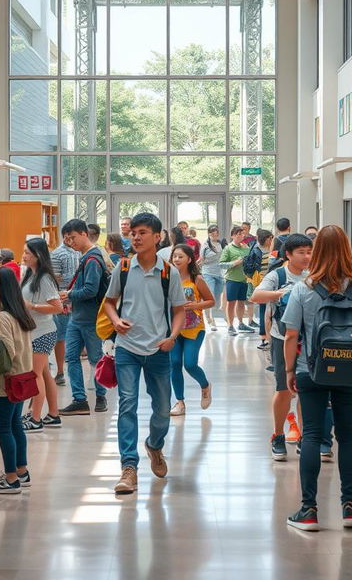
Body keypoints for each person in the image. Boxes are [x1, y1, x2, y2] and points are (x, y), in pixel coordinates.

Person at [282, 225, 352, 531]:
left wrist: (288, 371)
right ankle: (349, 507)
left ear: (317, 250)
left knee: (311, 434)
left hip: (312, 370)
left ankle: (308, 510)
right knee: (347, 435)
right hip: (350, 372)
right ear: (347, 250)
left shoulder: (303, 288)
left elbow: (291, 334)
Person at [102, 212, 186, 495]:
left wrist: (173, 337)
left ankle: (154, 445)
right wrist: (115, 320)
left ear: (157, 236)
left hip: (158, 349)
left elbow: (178, 311)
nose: (136, 237)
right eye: (133, 233)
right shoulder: (123, 268)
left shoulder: (168, 272)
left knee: (162, 409)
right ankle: (129, 467)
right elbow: (109, 302)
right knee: (127, 404)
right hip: (127, 348)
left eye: (142, 233)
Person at [252, 234, 314, 461]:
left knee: (306, 388)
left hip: (308, 339)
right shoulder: (278, 275)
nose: (307, 257)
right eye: (301, 252)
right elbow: (256, 296)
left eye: (309, 252)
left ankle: (304, 437)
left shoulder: (313, 276)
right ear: (288, 254)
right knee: (284, 389)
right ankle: (278, 435)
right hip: (282, 338)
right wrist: (282, 294)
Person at [0, 267, 35, 493]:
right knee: (15, 426)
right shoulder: (19, 313)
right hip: (22, 378)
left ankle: (10, 478)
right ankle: (21, 471)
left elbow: (7, 351)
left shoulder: (2, 316)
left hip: (6, 382)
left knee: (3, 428)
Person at [59, 218, 110, 416]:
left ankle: (100, 396)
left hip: (91, 319)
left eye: (72, 238)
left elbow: (90, 290)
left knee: (96, 359)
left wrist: (70, 294)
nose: (71, 242)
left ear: (84, 234)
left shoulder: (92, 259)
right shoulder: (86, 257)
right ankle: (79, 399)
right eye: (67, 239)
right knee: (71, 358)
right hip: (77, 318)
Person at [20, 237, 62, 432]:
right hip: (35, 331)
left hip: (42, 332)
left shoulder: (44, 279)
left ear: (38, 255)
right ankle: (53, 414)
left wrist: (33, 306)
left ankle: (36, 419)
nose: (24, 256)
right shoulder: (30, 275)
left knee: (35, 374)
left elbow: (57, 308)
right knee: (44, 374)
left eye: (27, 253)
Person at [168, 244, 215, 416]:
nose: (177, 259)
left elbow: (211, 301)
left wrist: (195, 305)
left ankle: (205, 385)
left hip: (194, 328)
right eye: (174, 256)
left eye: (180, 256)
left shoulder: (197, 280)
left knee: (189, 363)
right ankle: (179, 402)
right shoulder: (167, 278)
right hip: (174, 328)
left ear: (189, 259)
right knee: (174, 364)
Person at [49, 236, 80, 387]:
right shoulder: (56, 254)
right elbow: (55, 279)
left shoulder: (79, 253)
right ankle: (60, 372)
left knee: (75, 336)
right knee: (61, 336)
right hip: (63, 301)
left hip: (78, 299)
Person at [220, 225, 253, 335]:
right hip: (232, 279)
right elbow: (221, 264)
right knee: (231, 303)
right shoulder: (228, 248)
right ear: (233, 235)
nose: (241, 236)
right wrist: (234, 263)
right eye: (238, 234)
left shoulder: (246, 248)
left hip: (244, 280)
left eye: (242, 234)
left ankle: (241, 323)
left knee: (241, 302)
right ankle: (230, 325)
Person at [201, 225, 226, 331]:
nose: (215, 234)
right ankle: (210, 320)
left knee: (216, 299)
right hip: (208, 273)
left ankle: (213, 316)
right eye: (212, 232)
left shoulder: (221, 244)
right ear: (209, 233)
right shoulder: (205, 245)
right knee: (209, 296)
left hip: (219, 274)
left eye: (216, 232)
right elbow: (202, 259)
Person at [254, 228, 275, 347]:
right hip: (267, 286)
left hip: (259, 285)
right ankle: (268, 338)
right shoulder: (269, 255)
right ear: (268, 239)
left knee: (263, 311)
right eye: (271, 238)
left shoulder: (256, 250)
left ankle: (263, 336)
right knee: (268, 312)